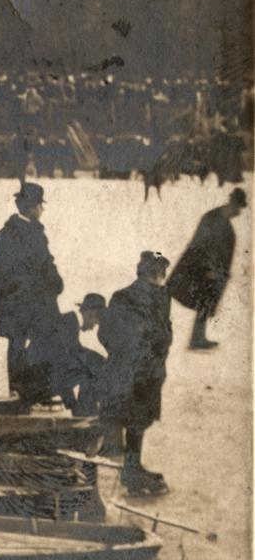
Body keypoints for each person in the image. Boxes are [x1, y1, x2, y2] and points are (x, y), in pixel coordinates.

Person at [99, 253, 173, 493]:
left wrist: (119, 357)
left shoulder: (121, 296)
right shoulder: (159, 296)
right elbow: (161, 334)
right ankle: (131, 472)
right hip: (145, 370)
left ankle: (132, 468)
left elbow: (105, 334)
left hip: (126, 368)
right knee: (137, 420)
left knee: (132, 420)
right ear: (157, 273)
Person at [0, 182, 64, 403]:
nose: (42, 209)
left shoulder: (7, 232)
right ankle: (30, 392)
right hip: (29, 301)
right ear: (31, 207)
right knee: (34, 346)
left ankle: (20, 389)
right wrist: (50, 283)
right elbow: (42, 264)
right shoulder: (31, 232)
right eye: (40, 205)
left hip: (19, 301)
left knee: (19, 346)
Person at [168, 188, 246, 349]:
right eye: (239, 208)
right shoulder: (213, 218)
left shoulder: (224, 222)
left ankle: (197, 338)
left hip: (211, 270)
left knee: (205, 302)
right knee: (182, 297)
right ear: (233, 204)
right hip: (199, 266)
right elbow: (202, 244)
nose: (239, 213)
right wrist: (208, 268)